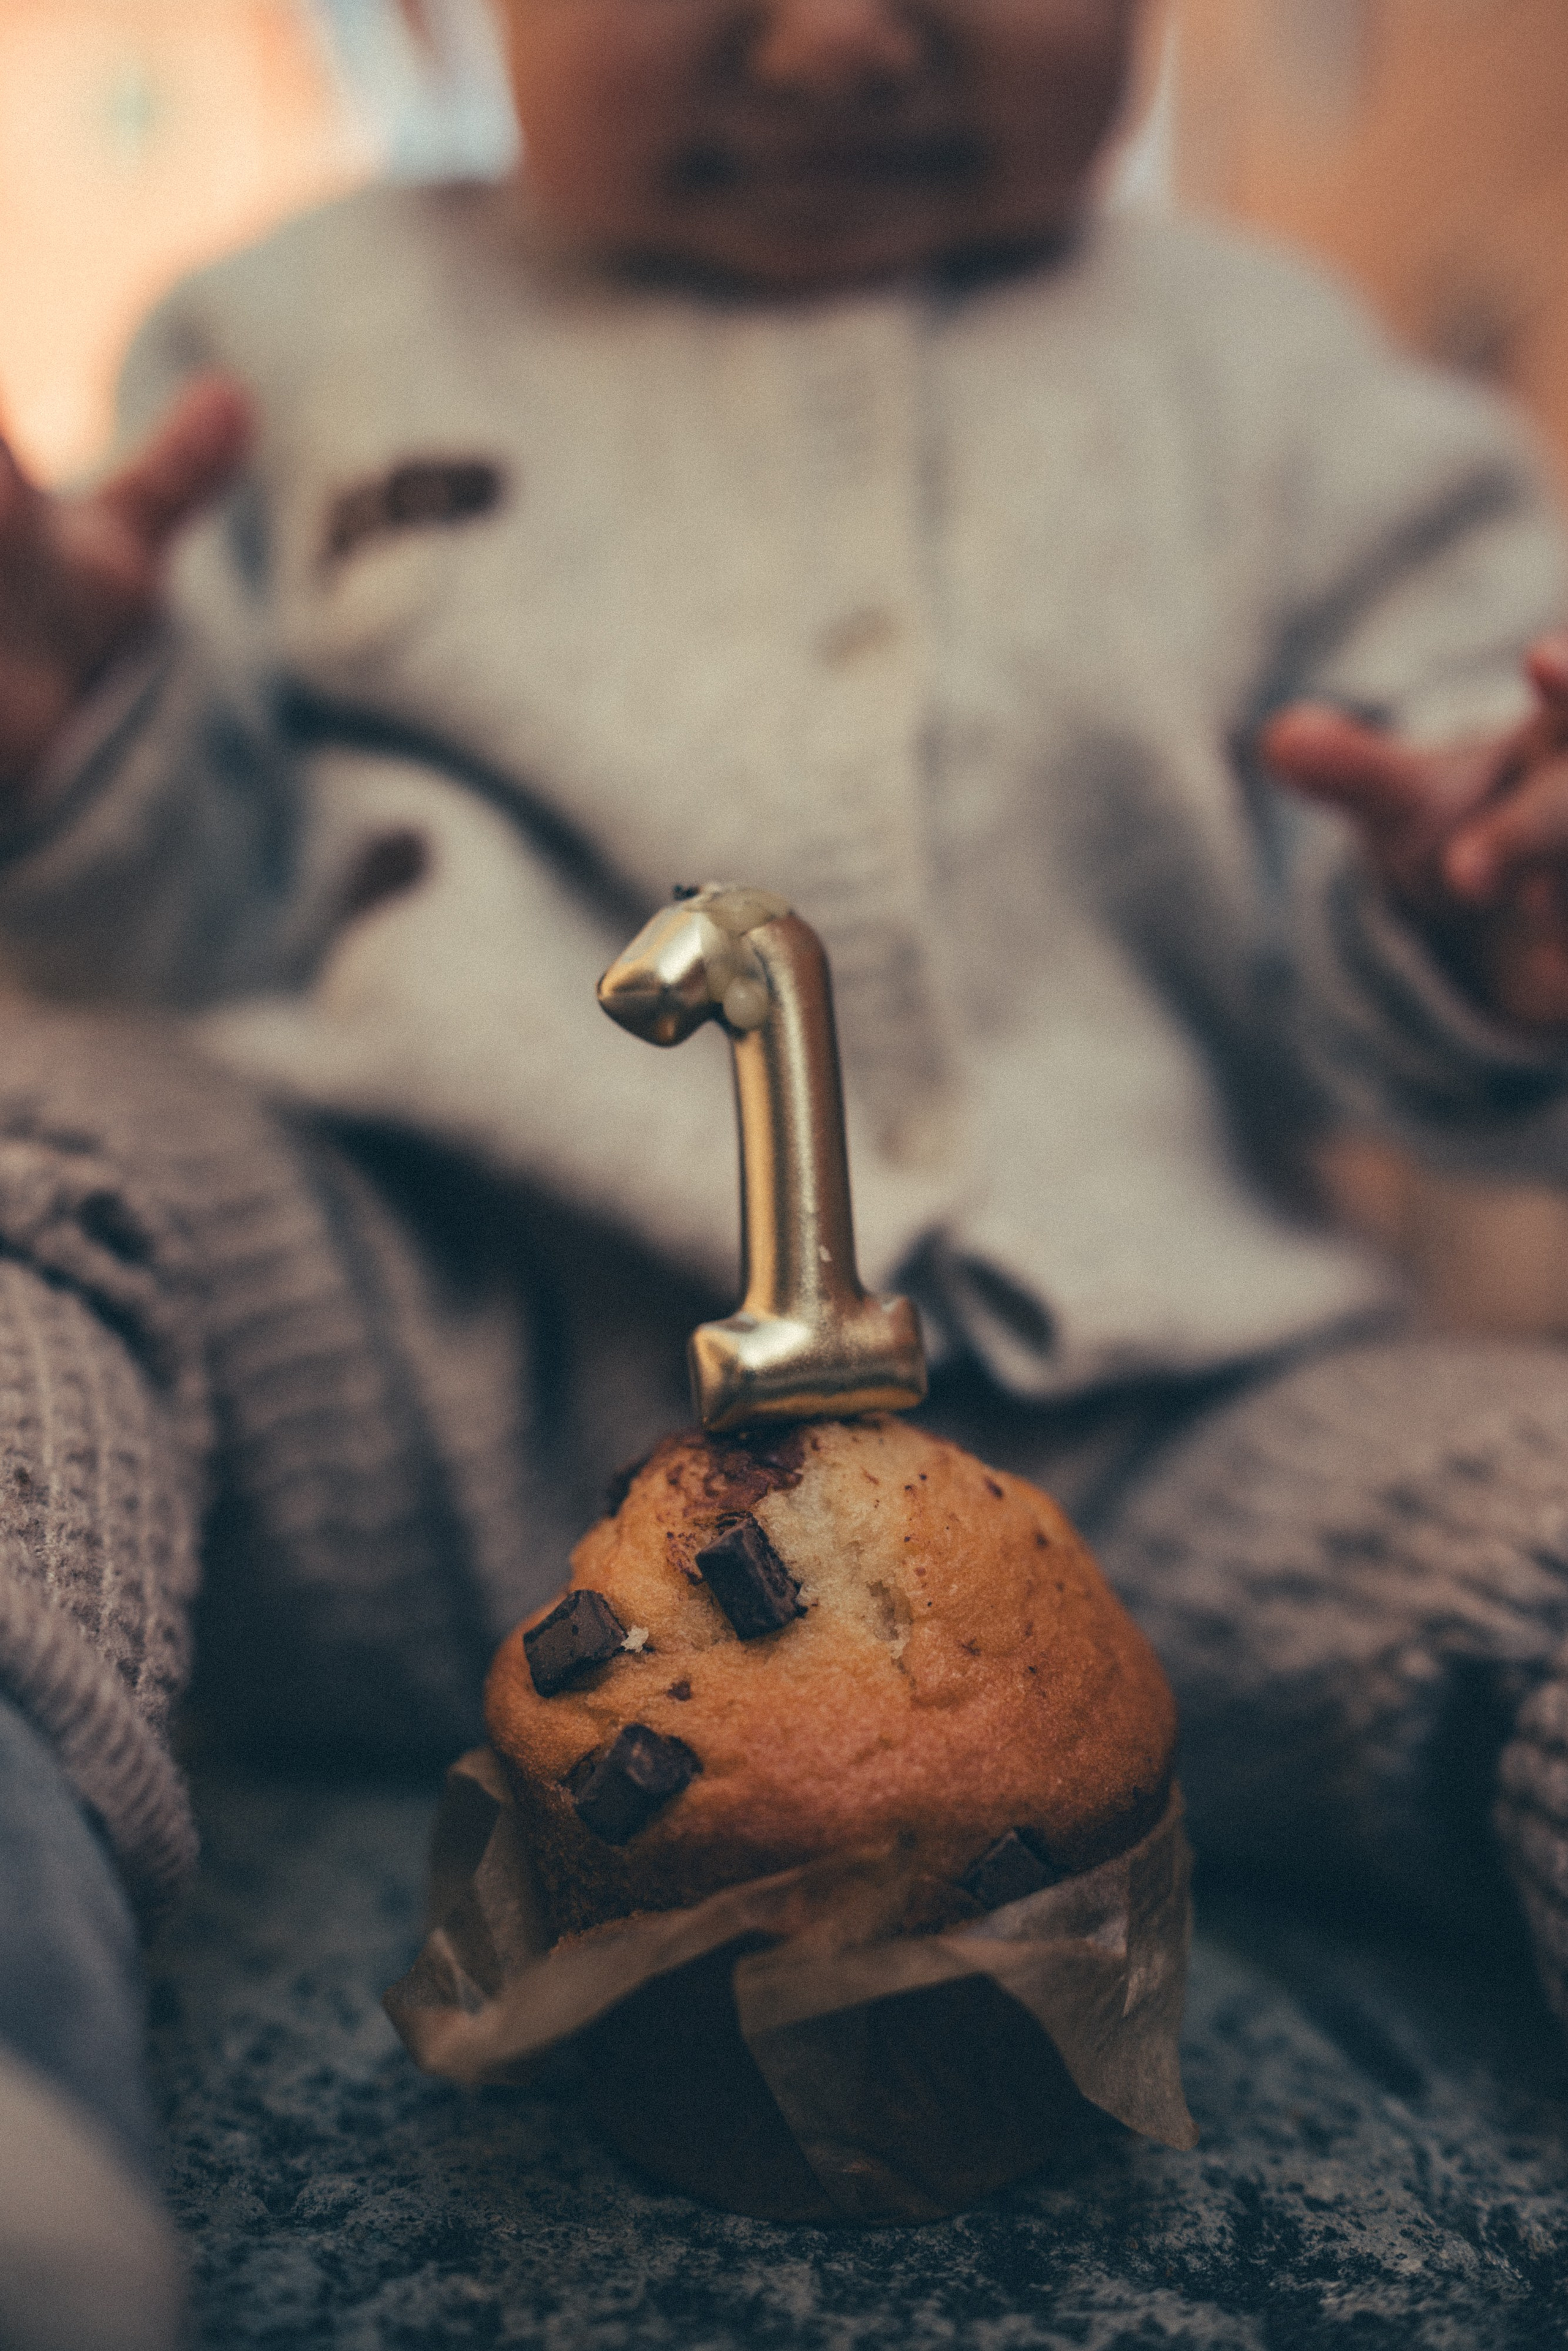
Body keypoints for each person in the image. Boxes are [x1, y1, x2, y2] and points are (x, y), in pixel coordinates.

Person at [4, 0, 1568, 2336]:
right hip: (421, 1359)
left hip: (1167, 1430)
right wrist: (83, 744)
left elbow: (1398, 871)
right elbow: (190, 904)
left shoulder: (1285, 381)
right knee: (48, 1163)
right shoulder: (297, 337)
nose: (840, 43)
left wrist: (1478, 916)